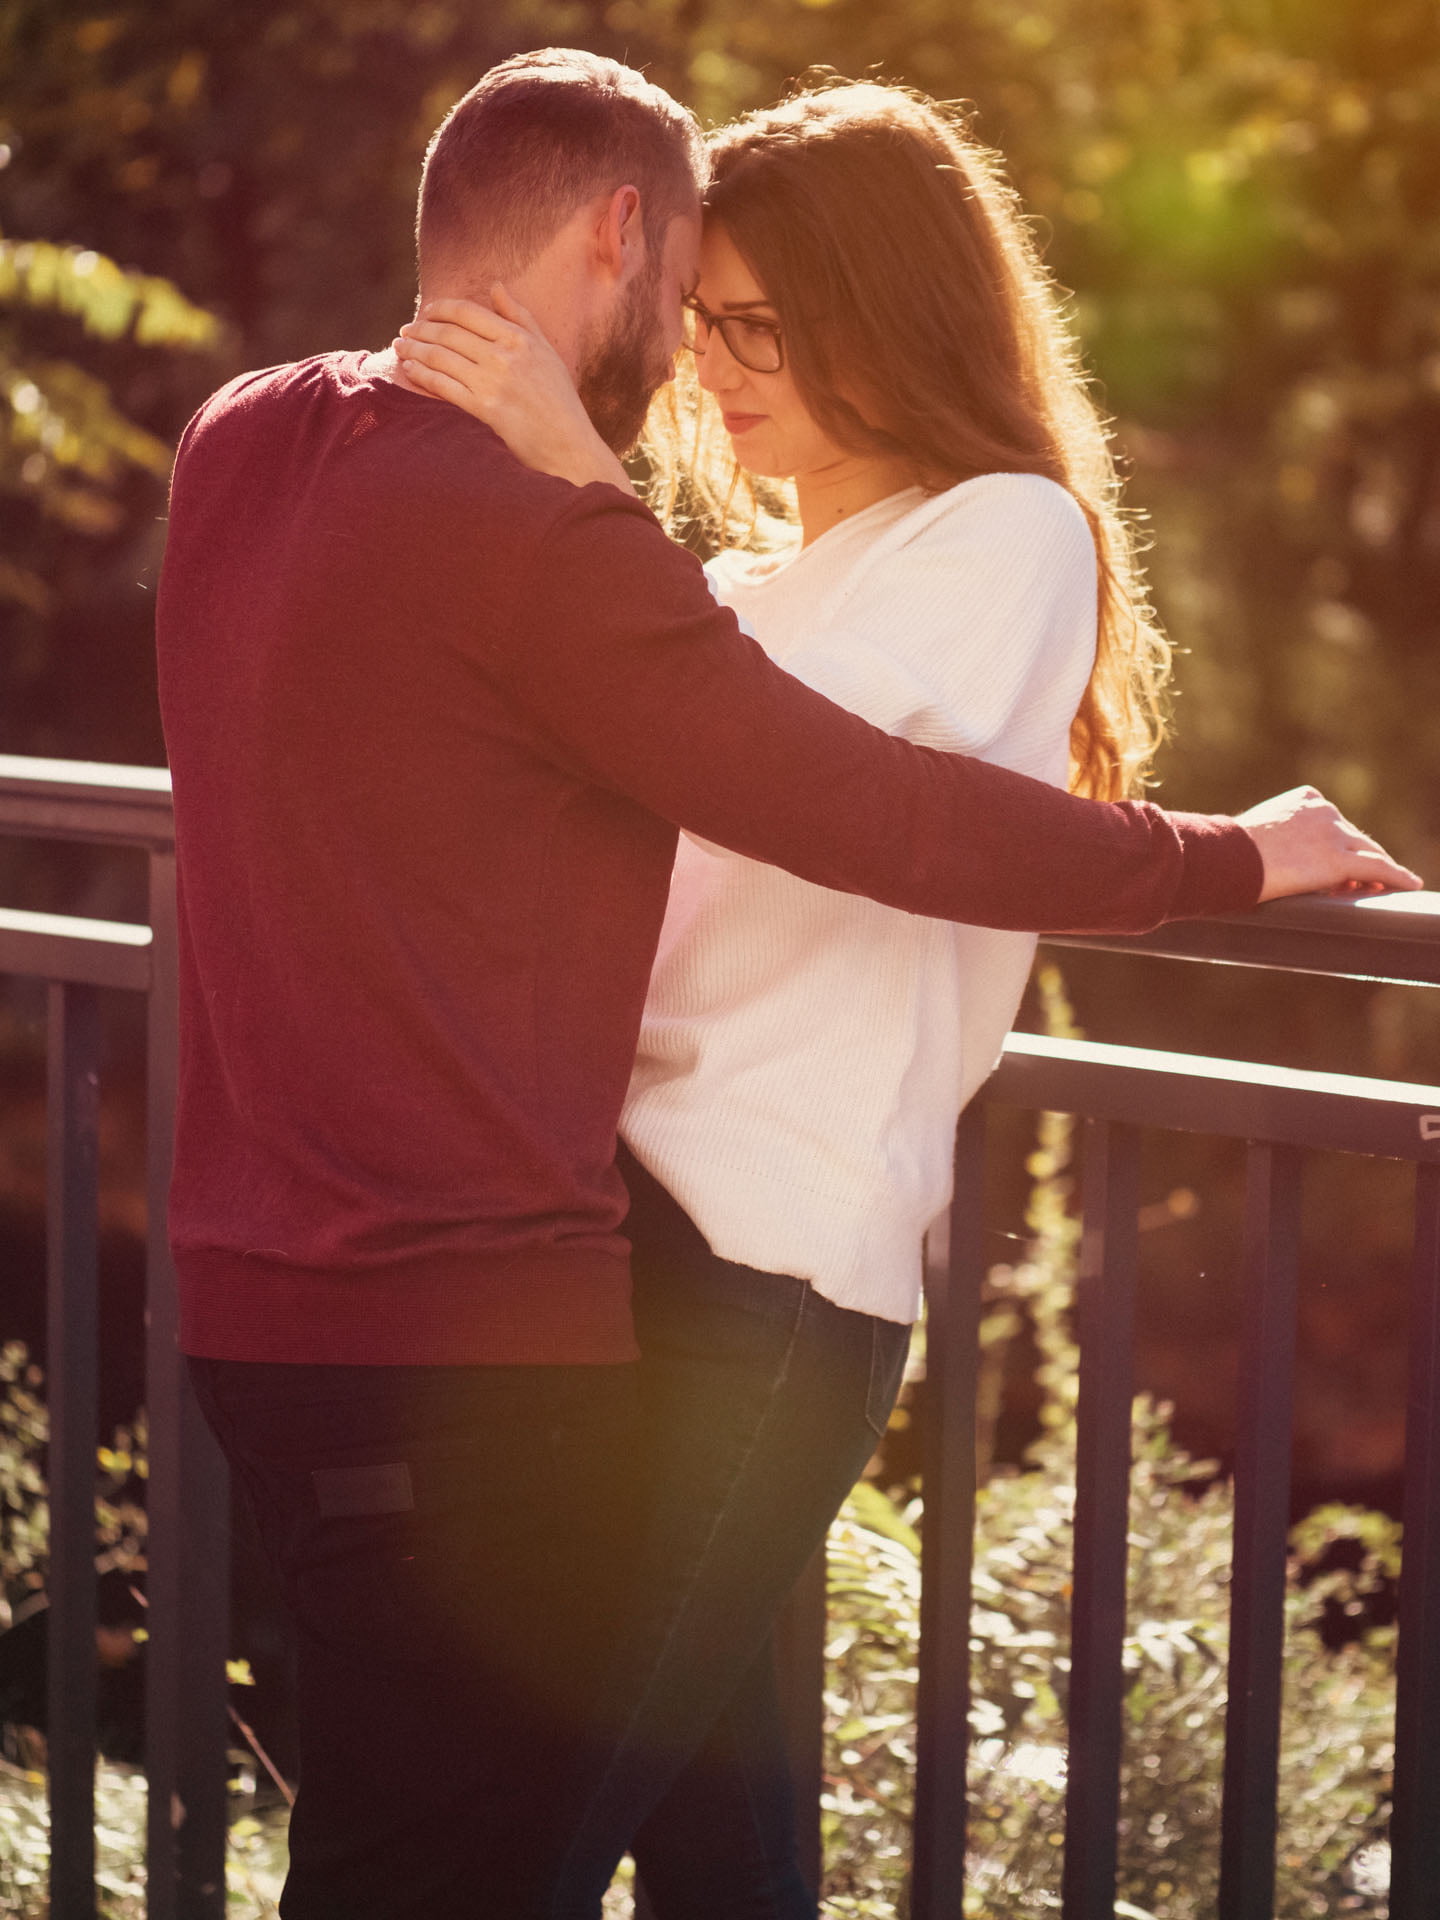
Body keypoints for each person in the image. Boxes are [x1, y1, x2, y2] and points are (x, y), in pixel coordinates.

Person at [156, 49, 1417, 1920]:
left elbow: (840, 797)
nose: (702, 372)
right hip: (608, 1245)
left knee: (513, 1843)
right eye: (698, 317)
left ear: (890, 318)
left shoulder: (1005, 530)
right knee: (708, 1834)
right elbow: (673, 714)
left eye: (757, 329)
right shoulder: (732, 574)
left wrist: (1229, 856)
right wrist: (587, 518)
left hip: (766, 1263)